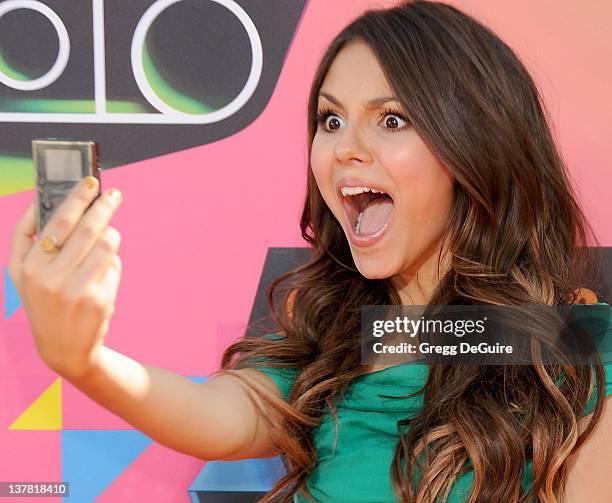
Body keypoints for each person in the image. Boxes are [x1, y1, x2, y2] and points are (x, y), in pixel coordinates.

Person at [8, 1, 612, 502]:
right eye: (329, 120)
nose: (344, 148)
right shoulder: (340, 334)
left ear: (475, 144)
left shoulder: (570, 351)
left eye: (392, 120)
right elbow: (216, 415)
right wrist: (83, 358)